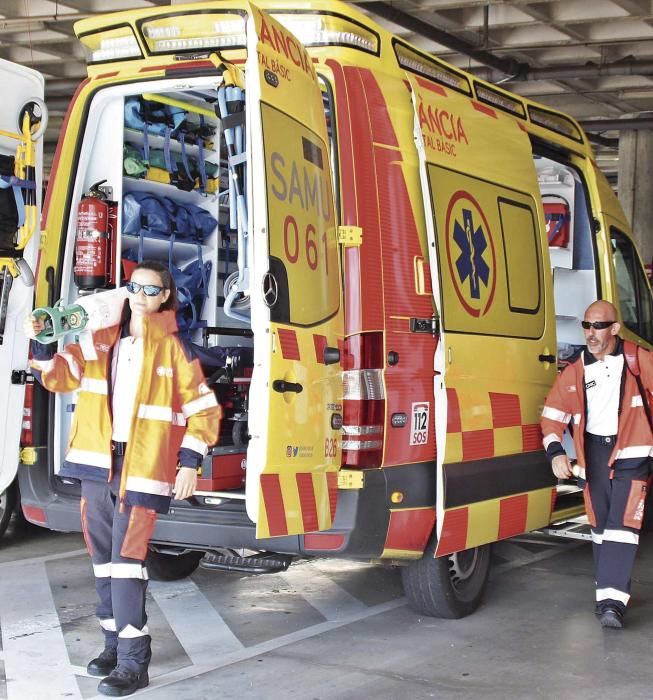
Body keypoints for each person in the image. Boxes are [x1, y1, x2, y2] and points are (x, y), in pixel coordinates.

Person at [24, 260, 221, 696]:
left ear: (165, 298)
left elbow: (204, 413)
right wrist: (40, 339)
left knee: (127, 567)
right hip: (97, 467)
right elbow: (57, 377)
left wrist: (189, 462)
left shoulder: (177, 351)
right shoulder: (98, 341)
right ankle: (112, 646)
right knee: (101, 563)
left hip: (144, 472)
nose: (140, 295)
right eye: (134, 287)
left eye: (151, 290)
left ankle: (135, 662)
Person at [541, 300, 653, 630]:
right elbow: (551, 418)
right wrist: (556, 453)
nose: (591, 333)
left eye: (598, 326)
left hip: (634, 451)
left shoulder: (637, 360)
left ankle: (611, 603)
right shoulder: (575, 369)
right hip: (593, 454)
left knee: (623, 524)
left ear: (615, 329)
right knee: (601, 525)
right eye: (586, 326)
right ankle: (608, 593)